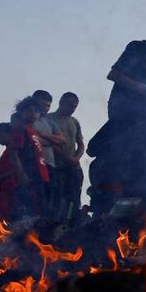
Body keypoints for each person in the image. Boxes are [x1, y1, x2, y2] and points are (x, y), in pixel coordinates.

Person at [9, 97, 50, 219]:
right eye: (29, 110)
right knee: (26, 212)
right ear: (21, 112)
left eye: (36, 111)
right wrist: (22, 175)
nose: (32, 113)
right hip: (28, 176)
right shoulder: (19, 130)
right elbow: (14, 154)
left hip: (40, 176)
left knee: (40, 211)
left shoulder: (34, 132)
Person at [48, 92, 85, 222]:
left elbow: (80, 143)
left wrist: (76, 158)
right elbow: (49, 145)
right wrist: (66, 158)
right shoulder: (49, 120)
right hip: (58, 168)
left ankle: (73, 223)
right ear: (61, 103)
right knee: (58, 199)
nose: (72, 109)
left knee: (74, 199)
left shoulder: (74, 122)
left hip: (74, 168)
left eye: (75, 107)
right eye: (70, 105)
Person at [31, 90, 67, 219]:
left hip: (50, 165)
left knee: (52, 198)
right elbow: (32, 140)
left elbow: (62, 140)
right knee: (36, 199)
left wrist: (43, 136)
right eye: (43, 105)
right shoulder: (26, 118)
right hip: (33, 165)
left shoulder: (48, 122)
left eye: (48, 106)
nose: (45, 108)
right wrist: (51, 140)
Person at [0, 122, 19, 222]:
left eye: (0, 136)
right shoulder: (7, 152)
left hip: (12, 190)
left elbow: (16, 169)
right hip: (4, 190)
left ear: (9, 134)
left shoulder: (14, 150)